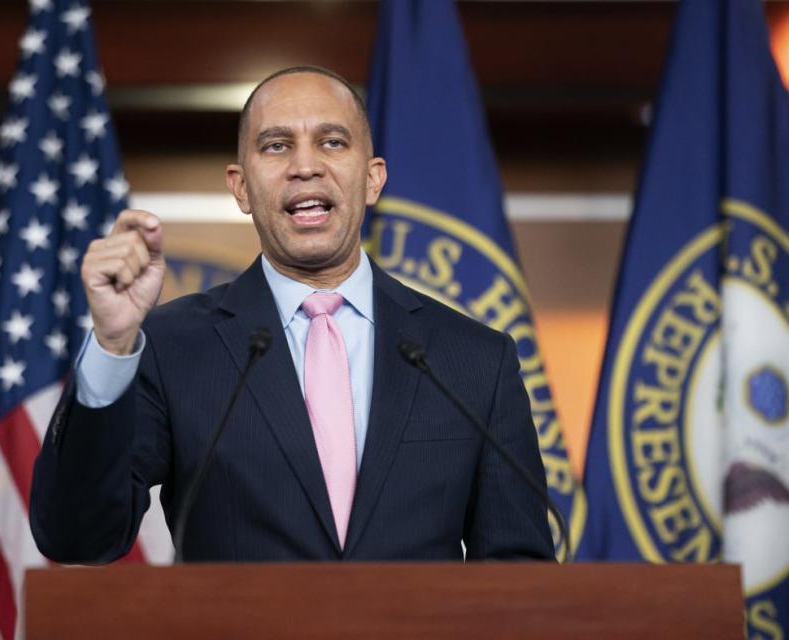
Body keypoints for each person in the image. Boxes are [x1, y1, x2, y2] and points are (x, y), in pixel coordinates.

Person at [29, 66, 554, 562]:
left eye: (332, 142)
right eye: (276, 146)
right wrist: (113, 345)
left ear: (372, 179)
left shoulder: (474, 360)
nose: (305, 165)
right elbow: (78, 537)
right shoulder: (172, 346)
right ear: (241, 187)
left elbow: (518, 577)